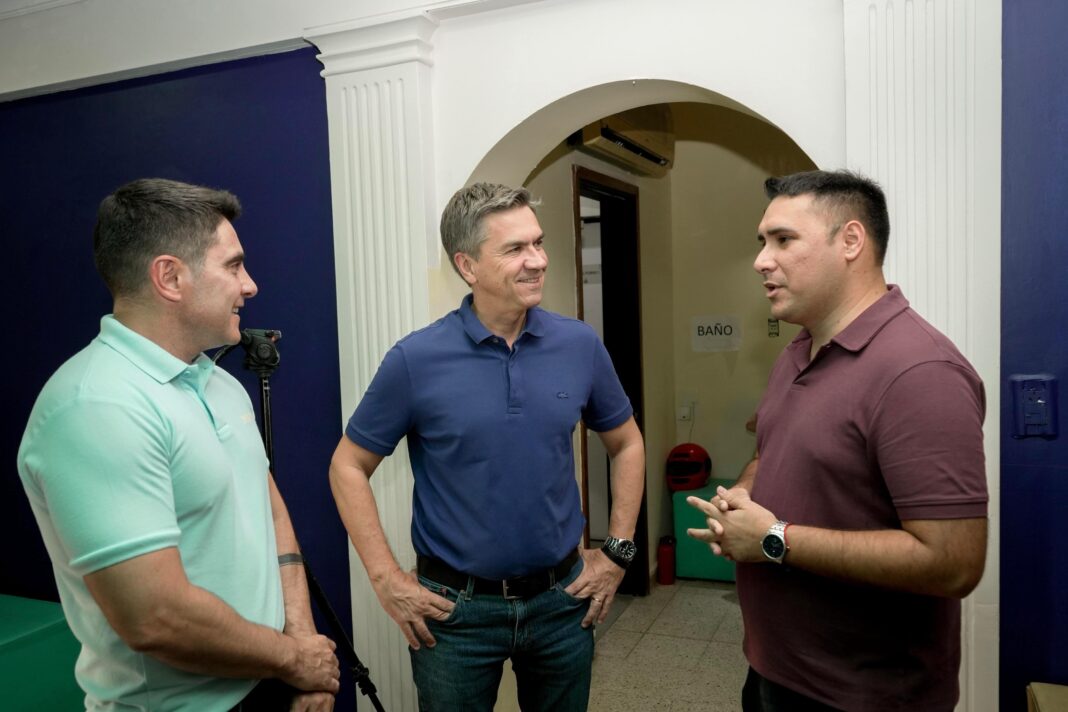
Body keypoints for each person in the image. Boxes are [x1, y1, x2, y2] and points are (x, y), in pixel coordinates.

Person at [17, 178, 340, 711]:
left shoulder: (220, 381)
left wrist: (301, 650)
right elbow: (157, 618)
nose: (251, 284)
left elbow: (272, 515)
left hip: (270, 678)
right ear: (170, 277)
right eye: (234, 266)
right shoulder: (95, 406)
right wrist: (294, 659)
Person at [329, 182, 645, 711]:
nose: (538, 261)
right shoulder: (415, 360)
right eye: (515, 249)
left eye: (538, 243)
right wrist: (385, 578)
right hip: (455, 615)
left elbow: (627, 443)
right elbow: (347, 466)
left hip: (562, 604)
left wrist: (618, 552)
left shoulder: (579, 345)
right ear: (467, 265)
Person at [688, 170, 988, 712]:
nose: (761, 259)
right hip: (775, 673)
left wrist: (773, 538)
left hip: (864, 697)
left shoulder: (920, 371)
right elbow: (771, 450)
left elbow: (954, 563)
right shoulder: (798, 351)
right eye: (762, 242)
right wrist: (745, 498)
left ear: (851, 241)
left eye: (783, 239)